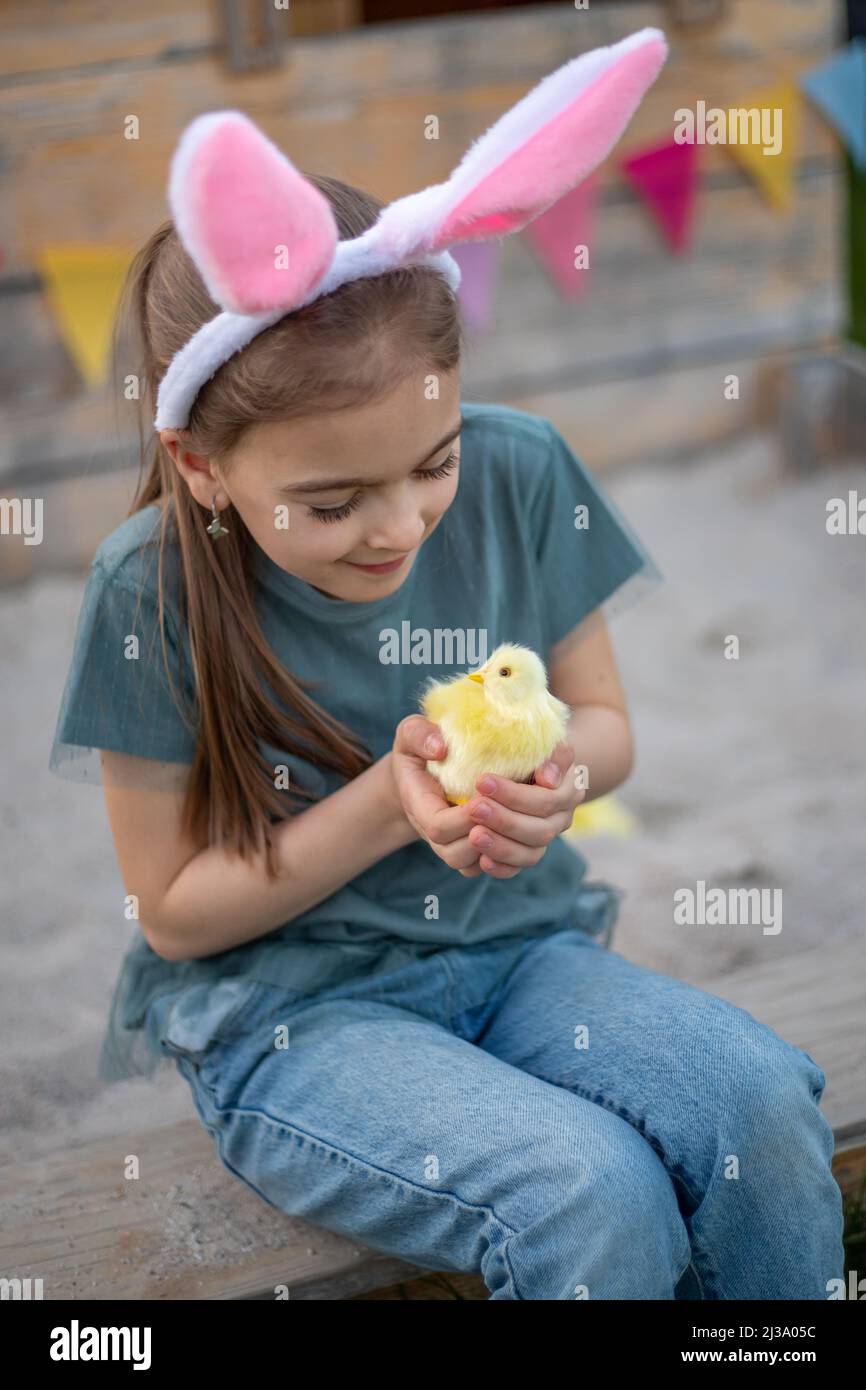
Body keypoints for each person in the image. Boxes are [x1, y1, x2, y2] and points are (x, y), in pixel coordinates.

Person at [49, 46, 845, 1299]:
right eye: (330, 501)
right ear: (202, 467)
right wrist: (383, 802)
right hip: (294, 1020)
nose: (401, 525)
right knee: (587, 1194)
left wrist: (552, 778)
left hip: (524, 953)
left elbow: (604, 726)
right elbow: (175, 909)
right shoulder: (145, 590)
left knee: (756, 1110)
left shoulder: (522, 469)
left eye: (432, 460)